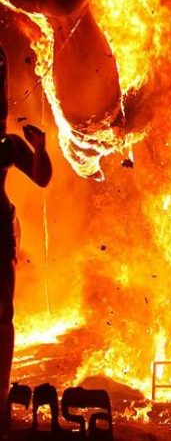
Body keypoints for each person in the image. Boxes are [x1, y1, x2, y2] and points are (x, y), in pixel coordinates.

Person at [0, 46, 51, 420]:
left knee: (3, 315)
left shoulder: (6, 146)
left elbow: (41, 176)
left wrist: (40, 149)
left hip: (0, 233)